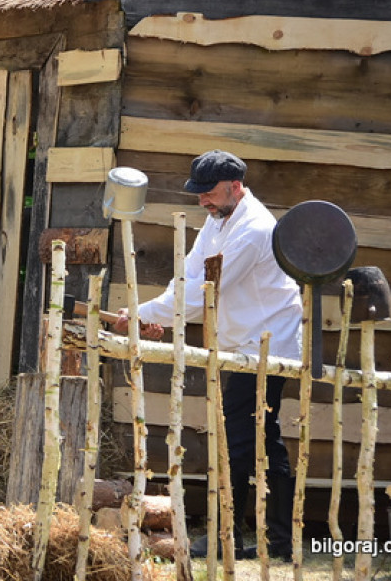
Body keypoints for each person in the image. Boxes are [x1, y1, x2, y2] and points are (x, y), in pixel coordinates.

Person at [113, 150, 301, 561]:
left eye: (209, 193)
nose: (202, 201)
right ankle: (280, 541)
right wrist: (150, 313)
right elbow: (187, 277)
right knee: (262, 442)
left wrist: (142, 313)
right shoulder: (217, 222)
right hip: (245, 347)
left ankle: (224, 536)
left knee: (240, 442)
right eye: (199, 194)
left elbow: (204, 294)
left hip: (266, 346)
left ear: (235, 187)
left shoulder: (252, 229)